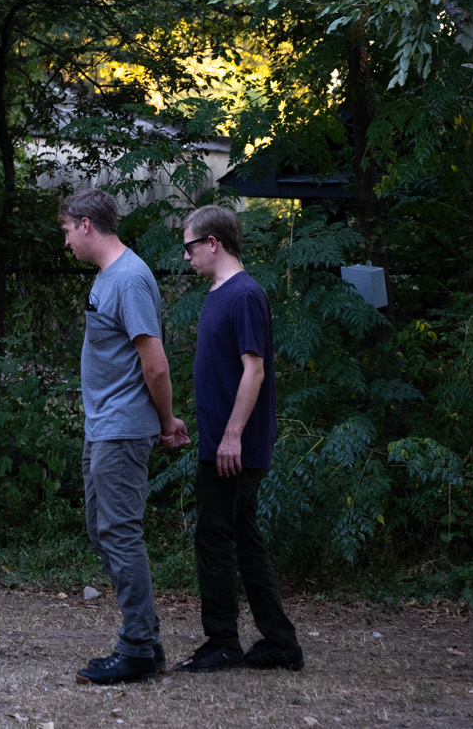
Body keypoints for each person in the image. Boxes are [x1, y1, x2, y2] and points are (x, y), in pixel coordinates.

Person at [60, 188, 190, 686]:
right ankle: (147, 640)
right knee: (104, 530)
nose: (66, 241)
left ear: (87, 225)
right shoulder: (106, 278)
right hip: (103, 426)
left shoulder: (131, 279)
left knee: (120, 533)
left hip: (122, 428)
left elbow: (154, 364)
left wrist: (165, 420)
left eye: (68, 230)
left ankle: (137, 647)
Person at [173, 203, 304, 673]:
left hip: (233, 449)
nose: (185, 256)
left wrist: (231, 437)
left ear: (213, 242)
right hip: (220, 443)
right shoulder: (219, 293)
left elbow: (255, 370)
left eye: (190, 246)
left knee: (214, 538)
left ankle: (223, 642)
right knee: (243, 540)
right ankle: (280, 644)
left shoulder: (244, 294)